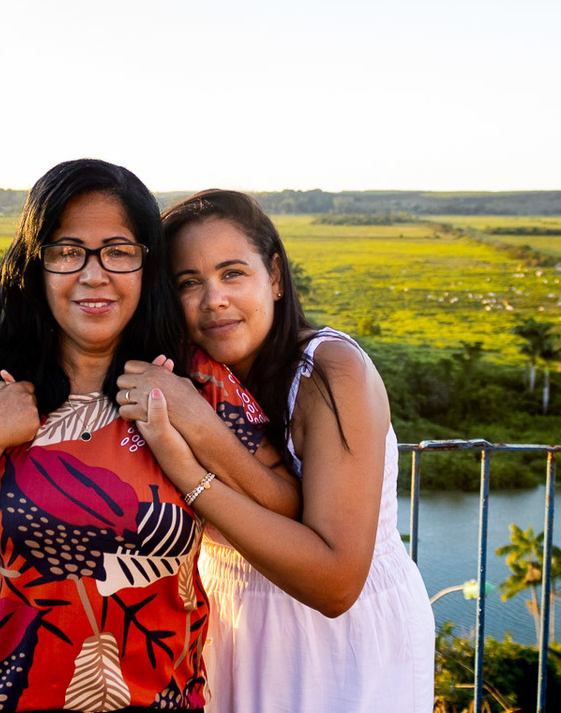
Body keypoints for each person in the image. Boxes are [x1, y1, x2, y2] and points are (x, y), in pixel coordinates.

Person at [0, 159, 291, 713]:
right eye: (66, 251)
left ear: (146, 267)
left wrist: (194, 423)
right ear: (37, 267)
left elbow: (286, 508)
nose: (94, 274)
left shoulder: (195, 382)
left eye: (119, 251)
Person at [116, 189, 435, 712]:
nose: (213, 299)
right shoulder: (188, 374)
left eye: (232, 273)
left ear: (276, 277)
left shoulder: (330, 371)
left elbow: (335, 583)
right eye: (188, 283)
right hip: (229, 628)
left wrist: (193, 445)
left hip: (338, 648)